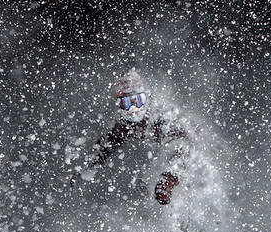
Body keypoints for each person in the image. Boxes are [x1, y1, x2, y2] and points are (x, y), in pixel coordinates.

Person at [72, 69, 190, 205]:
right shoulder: (123, 122)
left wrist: (168, 181)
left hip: (184, 169)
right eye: (126, 104)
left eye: (138, 101)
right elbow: (108, 143)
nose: (133, 110)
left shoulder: (162, 116)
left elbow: (183, 146)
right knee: (141, 184)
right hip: (158, 162)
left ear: (146, 98)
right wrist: (86, 168)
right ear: (119, 104)